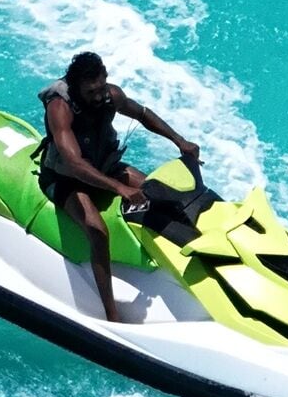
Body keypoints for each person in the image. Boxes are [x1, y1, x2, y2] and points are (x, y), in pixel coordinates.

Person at [39, 50, 206, 328]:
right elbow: (74, 163)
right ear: (76, 86)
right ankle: (111, 313)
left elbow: (142, 114)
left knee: (164, 194)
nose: (98, 95)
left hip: (105, 167)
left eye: (101, 86)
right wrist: (119, 188)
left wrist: (180, 141)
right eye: (91, 91)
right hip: (66, 179)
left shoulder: (111, 95)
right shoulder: (60, 108)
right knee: (97, 229)